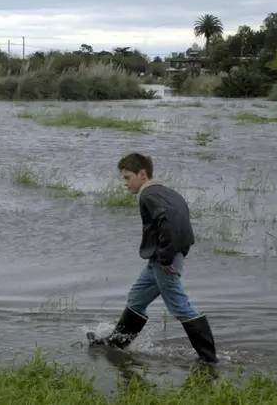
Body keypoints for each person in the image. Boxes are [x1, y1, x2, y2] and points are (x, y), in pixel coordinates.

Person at [87, 152, 217, 365]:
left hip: (164, 260)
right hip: (162, 258)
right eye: (123, 178)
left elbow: (170, 223)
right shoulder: (168, 192)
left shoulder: (148, 196)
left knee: (180, 306)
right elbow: (183, 222)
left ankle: (208, 358)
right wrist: (177, 254)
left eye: (128, 177)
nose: (125, 183)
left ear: (142, 174)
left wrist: (166, 259)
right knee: (137, 298)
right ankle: (116, 344)